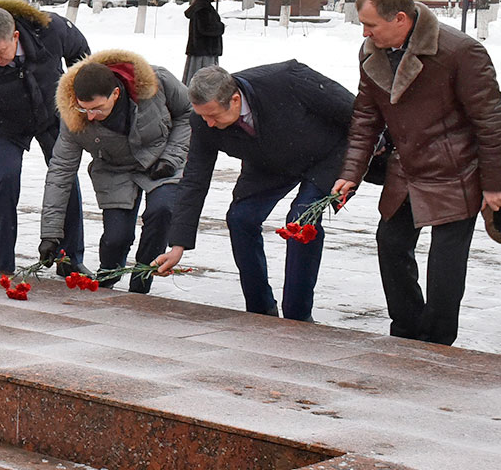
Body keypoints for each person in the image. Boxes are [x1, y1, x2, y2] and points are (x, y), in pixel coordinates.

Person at [333, 0, 501, 345]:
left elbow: (492, 120)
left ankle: (437, 342)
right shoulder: (371, 53)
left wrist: (494, 183)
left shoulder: (459, 51)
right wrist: (351, 173)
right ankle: (406, 330)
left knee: (445, 263)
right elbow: (365, 118)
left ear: (400, 18)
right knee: (391, 244)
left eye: (370, 24)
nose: (364, 33)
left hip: (457, 171)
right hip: (406, 169)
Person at [151, 63, 354, 320]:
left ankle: (298, 315)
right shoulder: (203, 120)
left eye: (213, 115)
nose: (208, 124)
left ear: (235, 100)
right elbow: (195, 179)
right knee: (240, 218)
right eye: (203, 116)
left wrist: (362, 161)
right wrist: (177, 245)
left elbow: (355, 111)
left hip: (325, 155)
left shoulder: (287, 79)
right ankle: (260, 310)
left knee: (301, 222)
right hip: (268, 163)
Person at [0, 0, 91, 274]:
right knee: (5, 180)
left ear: (15, 36)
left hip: (50, 114)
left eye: (0, 52)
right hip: (4, 124)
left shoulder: (51, 29)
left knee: (64, 178)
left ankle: (70, 260)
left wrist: (78, 96)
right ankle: (4, 264)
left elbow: (82, 57)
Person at [39, 52, 191, 292]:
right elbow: (60, 171)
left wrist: (171, 158)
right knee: (116, 238)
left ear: (116, 94)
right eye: (85, 109)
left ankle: (142, 280)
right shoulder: (73, 116)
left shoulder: (156, 81)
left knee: (161, 211)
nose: (91, 116)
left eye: (98, 108)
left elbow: (189, 113)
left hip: (161, 159)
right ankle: (108, 275)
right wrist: (50, 234)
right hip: (114, 169)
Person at [183, 0, 223, 79]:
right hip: (204, 52)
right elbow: (205, 28)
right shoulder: (203, 7)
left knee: (197, 77)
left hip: (201, 50)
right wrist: (220, 27)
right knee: (204, 79)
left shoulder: (201, 5)